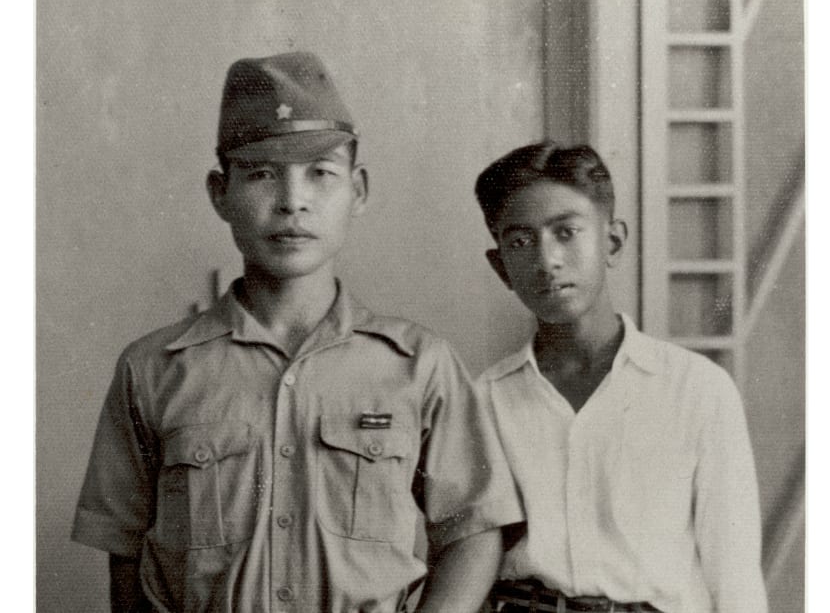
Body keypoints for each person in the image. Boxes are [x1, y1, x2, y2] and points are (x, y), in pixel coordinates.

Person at [72, 51, 523, 613]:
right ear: (220, 192)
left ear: (357, 190)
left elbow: (474, 531)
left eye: (321, 174)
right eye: (261, 173)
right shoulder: (154, 368)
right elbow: (126, 555)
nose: (292, 201)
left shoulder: (419, 364)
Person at [474, 141, 767, 613]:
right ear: (501, 267)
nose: (547, 259)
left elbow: (735, 579)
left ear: (612, 242)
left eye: (566, 232)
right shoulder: (482, 401)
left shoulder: (696, 390)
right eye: (521, 241)